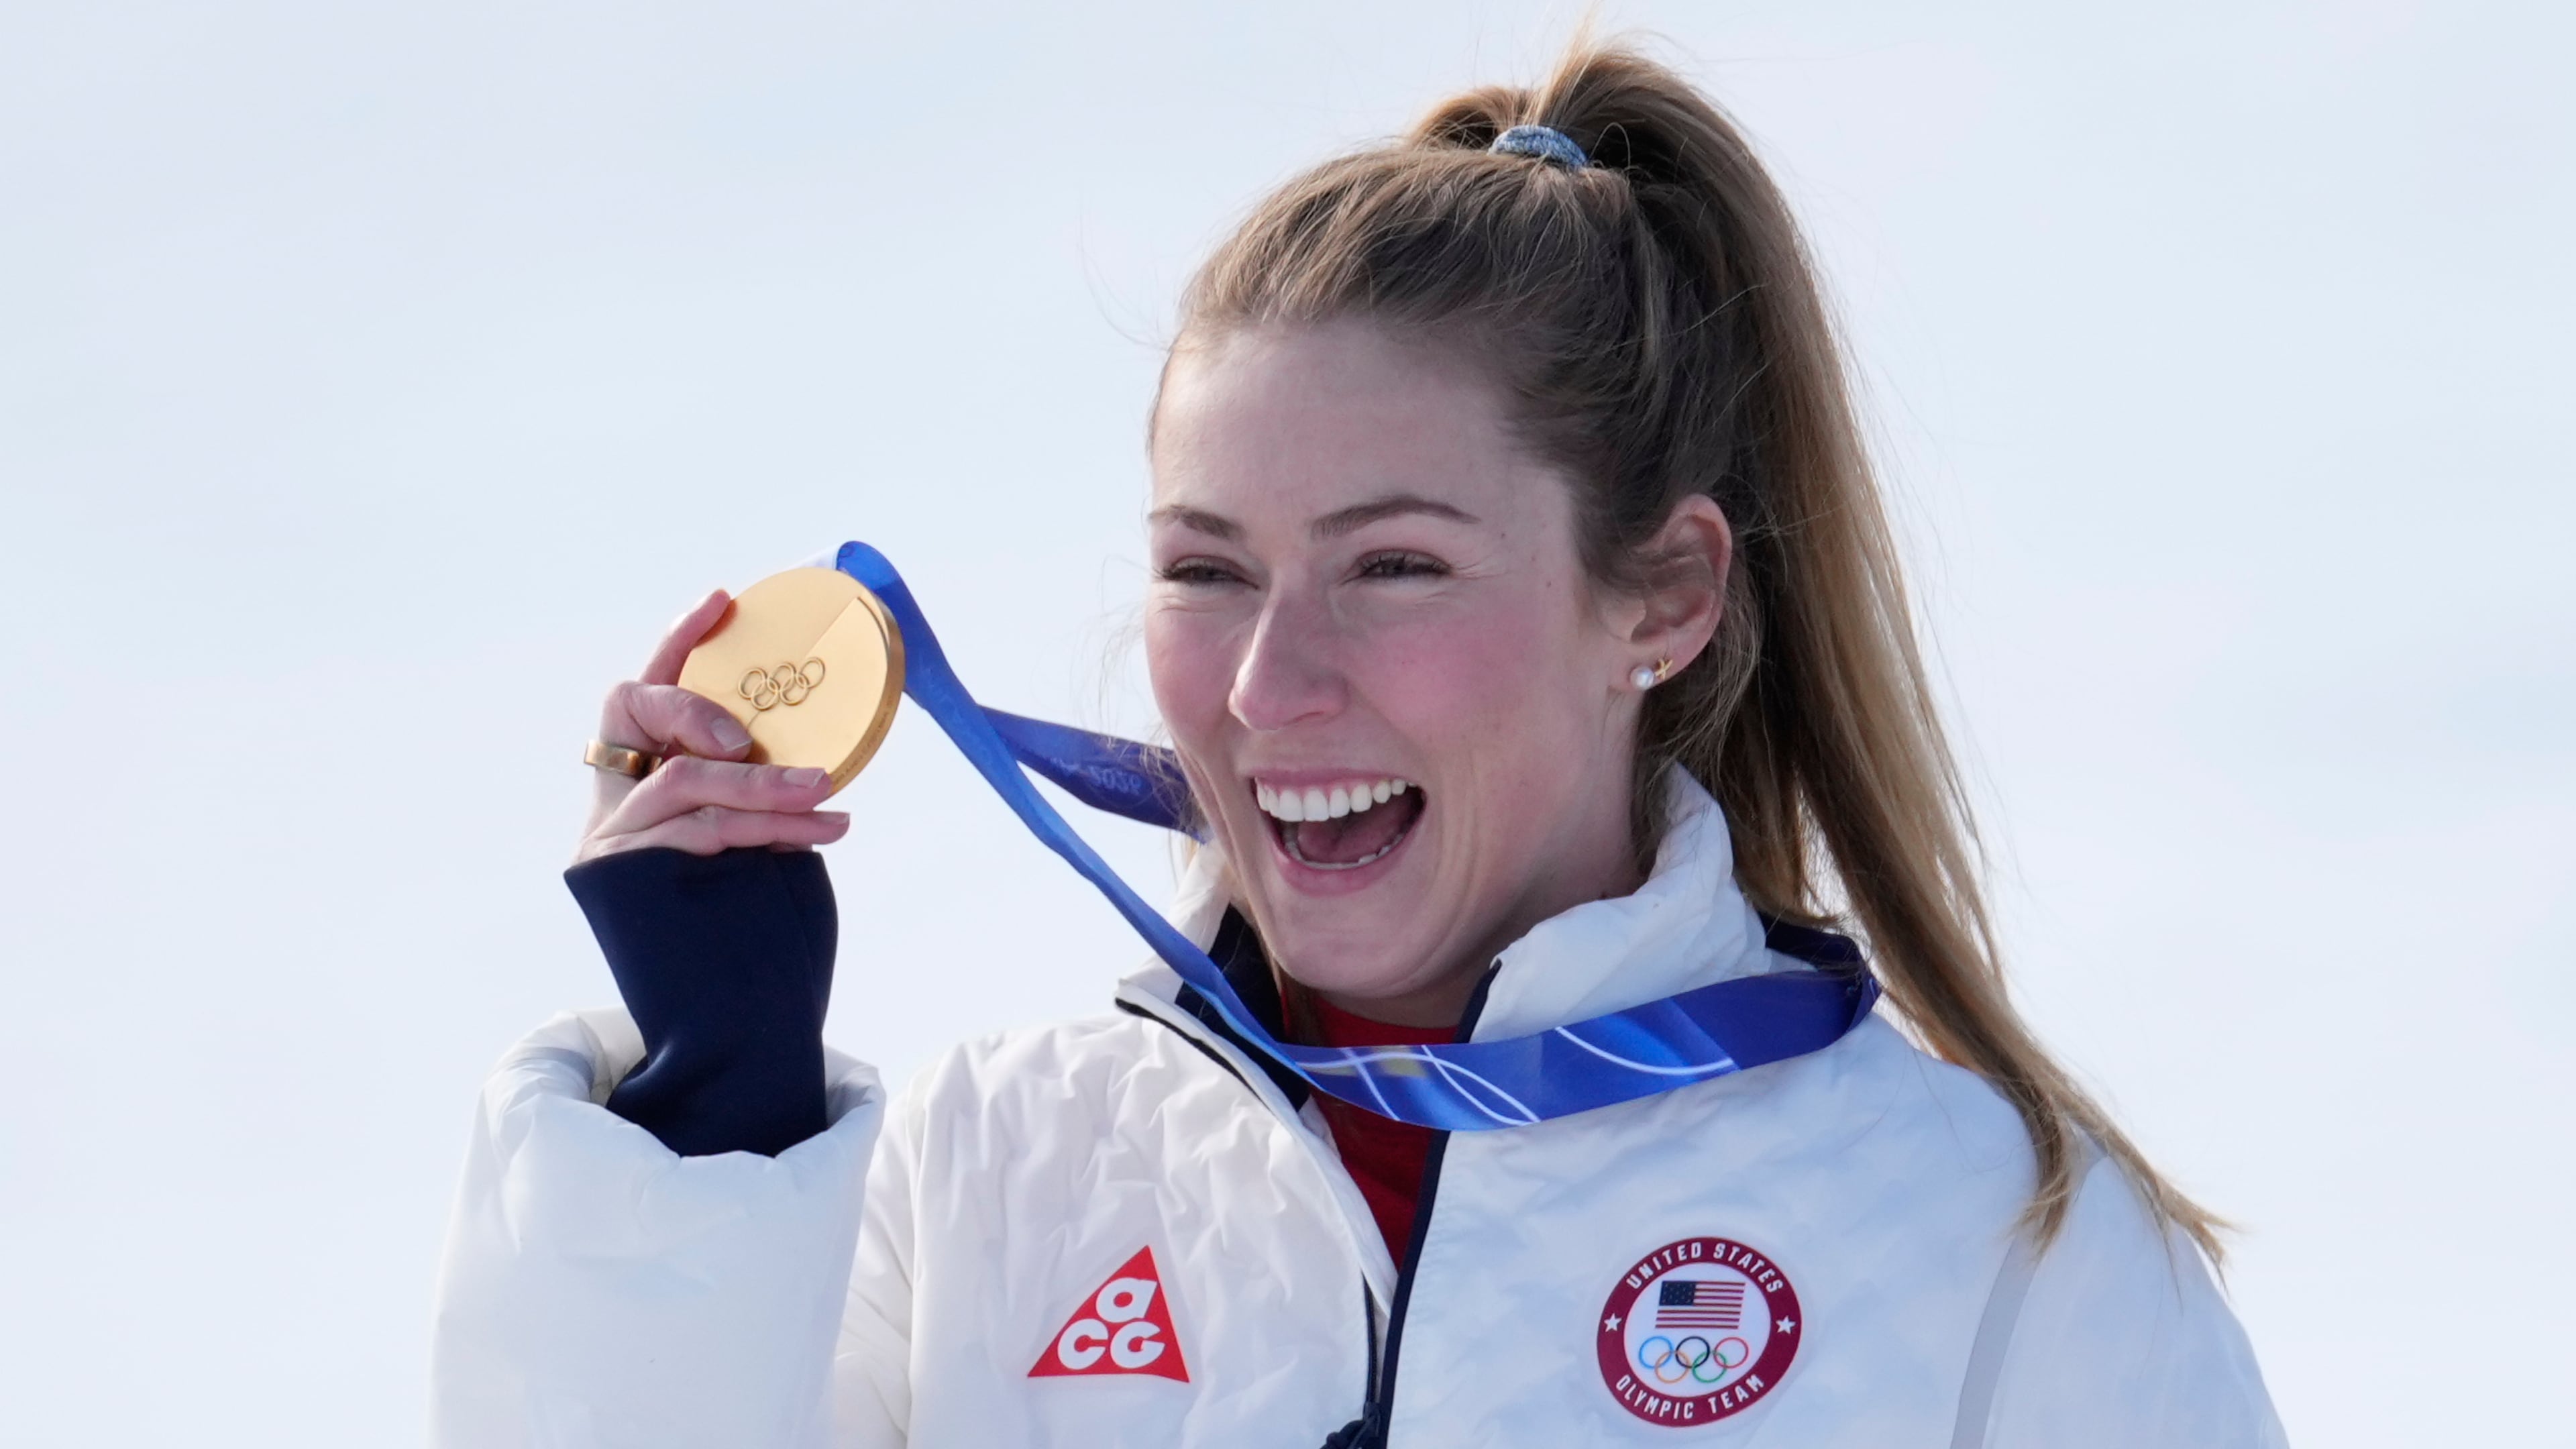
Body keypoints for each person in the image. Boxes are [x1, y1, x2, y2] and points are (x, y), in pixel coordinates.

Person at [429, 42, 2285, 1449]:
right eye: (1205, 571)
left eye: (1394, 566)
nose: (1266, 685)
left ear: (1666, 597)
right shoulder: (1002, 1171)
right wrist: (706, 1122)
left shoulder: (1992, 1243)